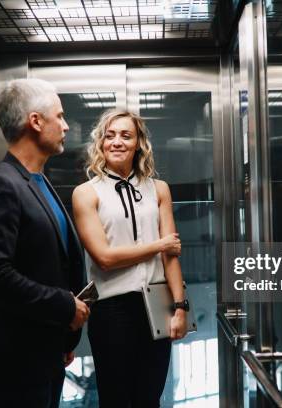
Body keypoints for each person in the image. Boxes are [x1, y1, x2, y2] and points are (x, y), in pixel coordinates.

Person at [0, 78, 90, 408]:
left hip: (45, 352)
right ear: (35, 121)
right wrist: (64, 306)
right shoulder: (0, 184)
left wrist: (63, 336)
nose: (66, 126)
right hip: (15, 361)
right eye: (60, 117)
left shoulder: (39, 181)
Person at [72, 109, 188, 407]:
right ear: (100, 143)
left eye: (126, 135)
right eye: (109, 136)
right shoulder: (86, 193)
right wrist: (158, 245)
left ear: (139, 143)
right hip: (112, 311)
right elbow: (104, 258)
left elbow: (171, 256)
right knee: (116, 399)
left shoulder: (158, 189)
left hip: (157, 304)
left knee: (150, 397)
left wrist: (180, 306)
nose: (117, 142)